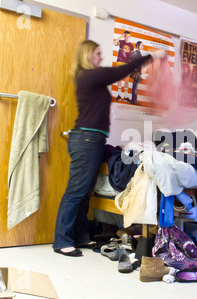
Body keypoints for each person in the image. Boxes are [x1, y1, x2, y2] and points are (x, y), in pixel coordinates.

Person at [53, 40, 166, 256]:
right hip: (86, 139)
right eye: (97, 53)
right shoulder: (89, 76)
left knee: (85, 192)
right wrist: (151, 56)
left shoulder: (89, 79)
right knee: (76, 192)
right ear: (87, 56)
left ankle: (80, 237)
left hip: (93, 140)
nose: (100, 57)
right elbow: (122, 71)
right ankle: (61, 241)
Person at [113, 31, 134, 103]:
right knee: (119, 79)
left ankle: (125, 96)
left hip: (127, 63)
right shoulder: (121, 42)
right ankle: (119, 95)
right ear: (124, 36)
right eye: (126, 36)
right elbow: (114, 43)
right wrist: (120, 37)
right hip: (120, 62)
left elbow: (132, 56)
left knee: (126, 80)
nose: (127, 37)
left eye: (128, 36)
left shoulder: (131, 45)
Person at [129, 41, 144, 105]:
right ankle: (134, 101)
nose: (142, 46)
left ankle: (133, 100)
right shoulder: (137, 53)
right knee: (135, 86)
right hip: (136, 72)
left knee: (134, 86)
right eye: (141, 45)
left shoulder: (134, 53)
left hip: (135, 71)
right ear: (137, 46)